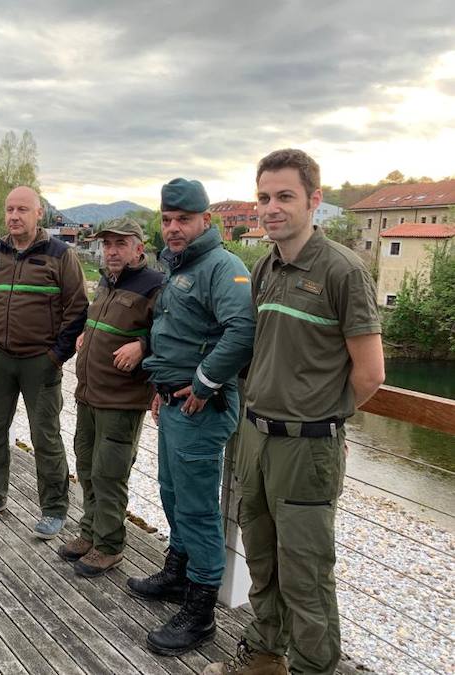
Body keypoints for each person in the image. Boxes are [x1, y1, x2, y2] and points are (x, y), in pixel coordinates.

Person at [204, 150, 384, 675]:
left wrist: (325, 419)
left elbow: (370, 374)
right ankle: (265, 656)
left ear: (314, 200)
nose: (271, 208)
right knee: (261, 558)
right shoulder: (267, 266)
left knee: (306, 575)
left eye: (285, 196)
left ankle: (312, 668)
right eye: (264, 197)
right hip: (256, 436)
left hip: (307, 447)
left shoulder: (343, 271)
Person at [127, 178, 255, 656]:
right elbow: (175, 332)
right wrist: (162, 386)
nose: (173, 228)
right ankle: (178, 573)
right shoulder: (179, 265)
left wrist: (204, 382)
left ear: (206, 220)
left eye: (183, 219)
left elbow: (241, 331)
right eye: (166, 220)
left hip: (202, 407)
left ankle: (201, 612)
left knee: (199, 508)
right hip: (174, 402)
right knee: (172, 493)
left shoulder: (224, 266)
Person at [0, 185, 88, 539]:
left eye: (23, 209)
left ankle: (53, 508)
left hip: (41, 362)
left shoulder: (60, 255)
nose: (14, 216)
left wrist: (56, 355)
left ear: (39, 214)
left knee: (46, 436)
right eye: (10, 209)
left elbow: (78, 308)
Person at [57, 218, 164, 576]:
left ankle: (110, 545)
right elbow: (102, 322)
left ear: (139, 247)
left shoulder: (155, 285)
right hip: (89, 394)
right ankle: (90, 534)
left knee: (109, 473)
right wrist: (87, 335)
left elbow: (171, 334)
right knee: (86, 467)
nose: (112, 250)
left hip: (121, 399)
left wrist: (143, 345)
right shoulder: (107, 281)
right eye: (107, 244)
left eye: (120, 243)